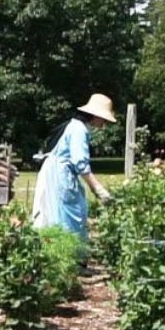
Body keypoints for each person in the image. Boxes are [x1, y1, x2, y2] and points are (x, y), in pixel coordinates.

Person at [31, 93, 115, 242]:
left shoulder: (74, 125)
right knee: (70, 215)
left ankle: (61, 247)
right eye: (104, 119)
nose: (104, 124)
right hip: (60, 176)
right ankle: (70, 250)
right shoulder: (79, 130)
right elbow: (81, 164)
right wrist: (97, 188)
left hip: (56, 173)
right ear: (95, 115)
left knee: (57, 213)